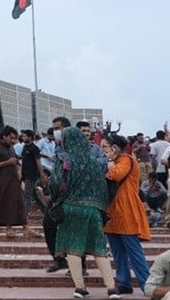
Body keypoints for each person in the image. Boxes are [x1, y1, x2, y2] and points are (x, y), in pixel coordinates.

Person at [49, 127, 120, 299]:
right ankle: (111, 289)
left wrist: (54, 198)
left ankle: (80, 288)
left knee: (73, 248)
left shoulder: (63, 158)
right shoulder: (94, 162)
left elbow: (56, 183)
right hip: (93, 210)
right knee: (99, 248)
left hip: (70, 208)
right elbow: (103, 187)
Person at [102, 133, 151, 295]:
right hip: (112, 212)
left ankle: (147, 285)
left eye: (105, 147)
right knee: (117, 252)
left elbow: (114, 175)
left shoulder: (127, 160)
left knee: (134, 252)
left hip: (126, 210)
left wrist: (108, 160)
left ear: (115, 148)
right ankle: (124, 282)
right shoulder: (115, 161)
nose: (103, 150)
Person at [0, 126, 39, 239]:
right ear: (4, 136)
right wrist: (7, 162)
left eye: (14, 138)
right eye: (11, 138)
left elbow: (15, 160)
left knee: (19, 203)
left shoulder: (11, 148)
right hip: (3, 179)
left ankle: (26, 228)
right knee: (6, 204)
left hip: (14, 178)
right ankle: (9, 228)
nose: (13, 141)